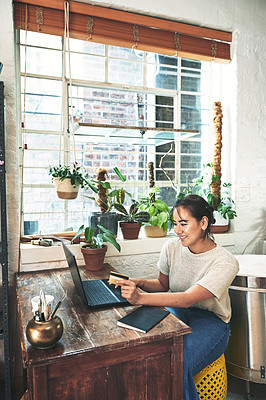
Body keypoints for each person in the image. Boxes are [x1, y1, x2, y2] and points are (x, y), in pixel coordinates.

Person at [118, 194, 239, 400]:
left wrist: (139, 298)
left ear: (203, 222)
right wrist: (140, 282)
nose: (177, 230)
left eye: (183, 223)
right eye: (175, 224)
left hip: (212, 322)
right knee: (151, 350)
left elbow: (188, 298)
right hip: (178, 311)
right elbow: (163, 286)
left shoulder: (225, 262)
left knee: (177, 363)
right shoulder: (172, 248)